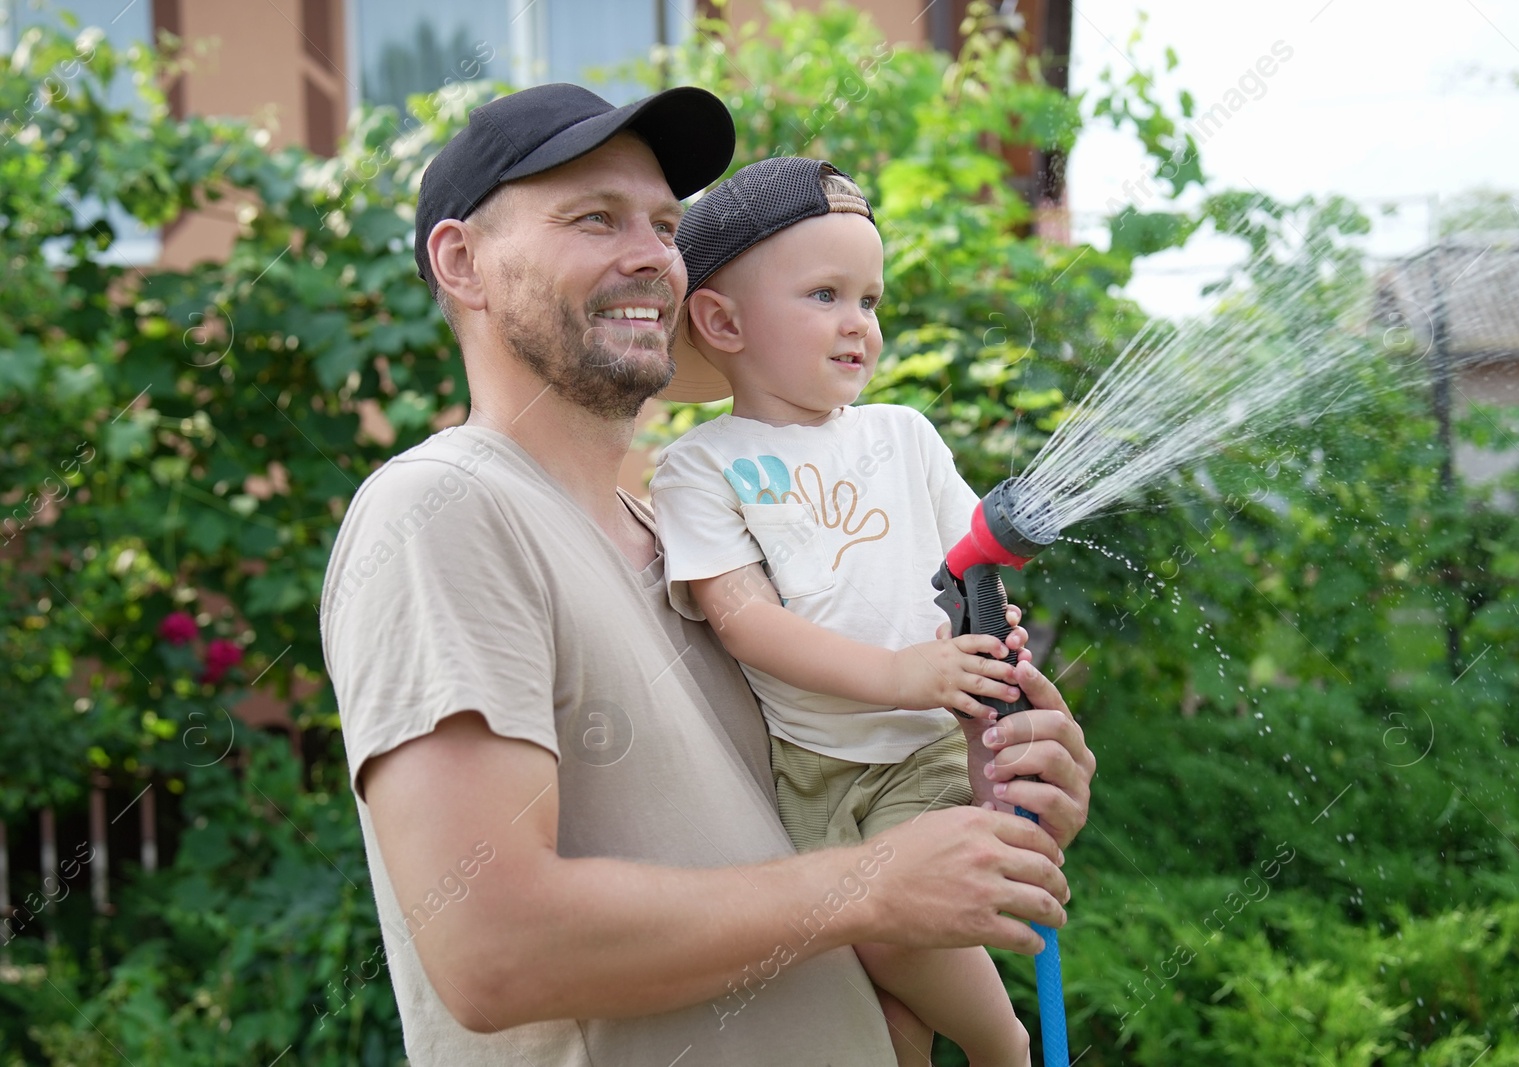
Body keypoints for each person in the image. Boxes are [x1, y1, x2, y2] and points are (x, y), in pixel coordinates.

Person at [320, 82, 1095, 1067]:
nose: (651, 253)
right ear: (462, 262)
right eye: (594, 217)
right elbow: (490, 947)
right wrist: (871, 881)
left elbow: (822, 862)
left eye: (663, 223)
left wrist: (992, 794)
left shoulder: (695, 555)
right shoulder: (445, 508)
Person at [651, 157, 1034, 1066]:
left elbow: (970, 566)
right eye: (825, 293)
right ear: (722, 321)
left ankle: (1002, 1046)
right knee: (871, 1010)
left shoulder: (903, 435)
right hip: (809, 775)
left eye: (870, 298)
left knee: (899, 921)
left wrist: (991, 634)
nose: (858, 322)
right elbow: (744, 619)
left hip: (917, 750)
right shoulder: (701, 466)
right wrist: (898, 672)